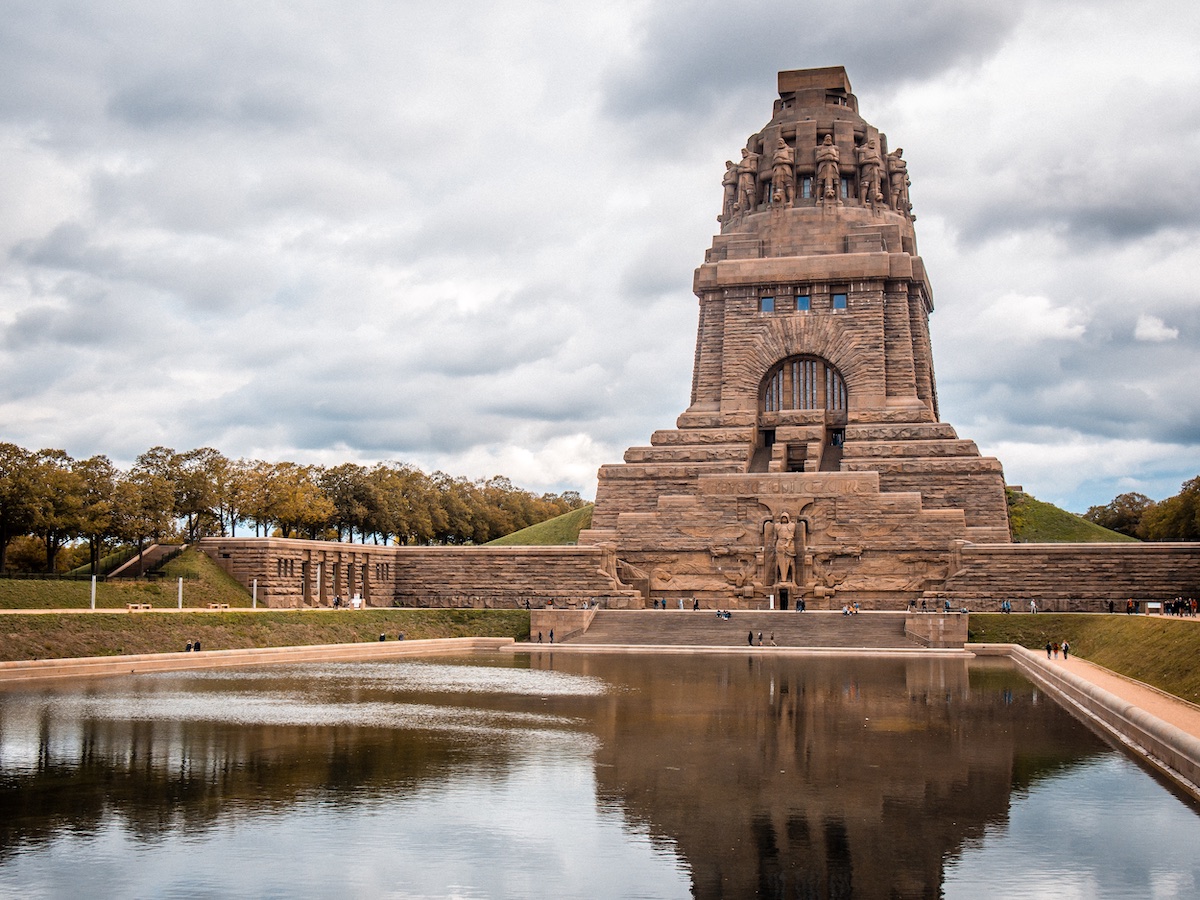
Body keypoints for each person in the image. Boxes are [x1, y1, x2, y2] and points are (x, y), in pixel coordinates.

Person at [815, 134, 841, 204]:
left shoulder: (835, 148)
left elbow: (837, 159)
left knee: (836, 182)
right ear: (824, 139)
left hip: (833, 166)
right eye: (827, 137)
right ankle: (818, 199)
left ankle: (838, 199)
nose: (828, 139)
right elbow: (817, 159)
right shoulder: (819, 148)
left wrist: (833, 158)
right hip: (823, 166)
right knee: (820, 182)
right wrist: (824, 158)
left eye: (829, 138)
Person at [770, 137, 795, 205]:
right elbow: (772, 163)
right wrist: (776, 162)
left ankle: (790, 200)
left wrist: (782, 161)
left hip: (785, 169)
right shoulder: (775, 152)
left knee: (788, 184)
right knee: (774, 186)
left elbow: (791, 161)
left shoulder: (789, 150)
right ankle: (774, 202)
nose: (780, 143)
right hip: (776, 170)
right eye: (778, 142)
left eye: (781, 141)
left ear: (784, 142)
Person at [775, 513, 796, 584]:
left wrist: (787, 544)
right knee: (777, 563)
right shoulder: (777, 526)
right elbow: (775, 536)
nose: (784, 519)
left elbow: (791, 535)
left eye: (785, 518)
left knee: (791, 563)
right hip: (779, 544)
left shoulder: (792, 525)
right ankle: (776, 580)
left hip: (789, 545)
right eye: (782, 518)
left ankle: (793, 580)